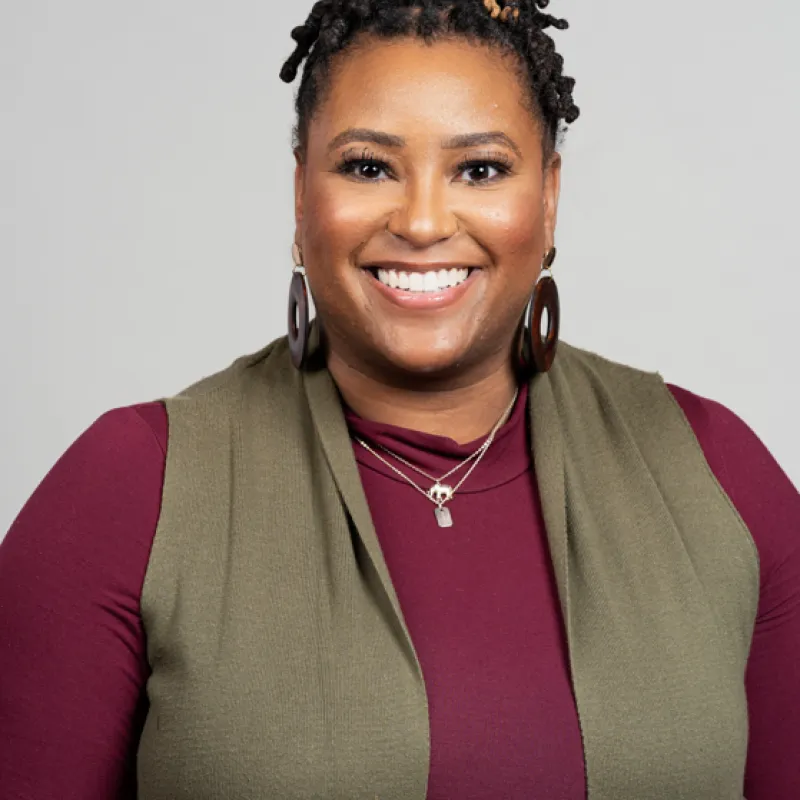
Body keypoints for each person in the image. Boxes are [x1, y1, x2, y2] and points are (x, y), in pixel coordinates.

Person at [1, 0, 798, 797]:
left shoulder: (716, 475)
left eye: (480, 169)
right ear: (301, 195)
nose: (422, 221)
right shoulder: (130, 493)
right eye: (367, 167)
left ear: (548, 198)